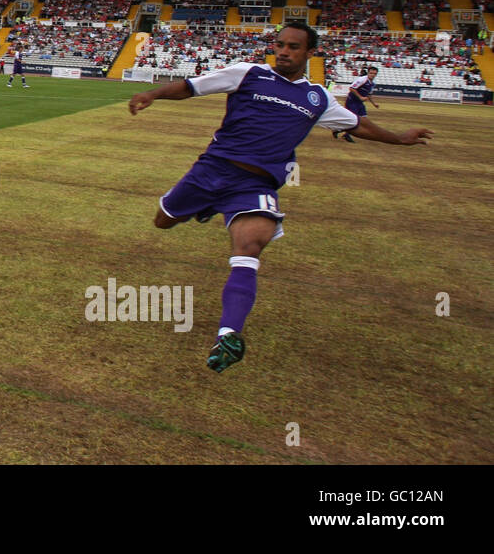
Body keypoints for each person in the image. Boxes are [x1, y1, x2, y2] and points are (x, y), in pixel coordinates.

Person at [128, 24, 432, 373]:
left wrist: (399, 138)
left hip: (255, 185)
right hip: (211, 171)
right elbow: (191, 87)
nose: (284, 51)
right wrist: (153, 94)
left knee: (250, 247)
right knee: (163, 220)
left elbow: (356, 125)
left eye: (293, 47)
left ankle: (228, 335)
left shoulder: (317, 98)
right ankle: (206, 207)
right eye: (280, 45)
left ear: (309, 53)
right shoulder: (248, 74)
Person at [334, 66, 379, 143]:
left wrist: (374, 103)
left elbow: (369, 94)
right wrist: (361, 97)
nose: (373, 75)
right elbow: (352, 88)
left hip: (359, 103)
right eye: (371, 73)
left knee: (364, 119)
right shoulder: (362, 80)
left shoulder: (372, 84)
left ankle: (338, 130)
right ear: (368, 73)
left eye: (374, 74)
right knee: (354, 120)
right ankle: (346, 135)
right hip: (352, 101)